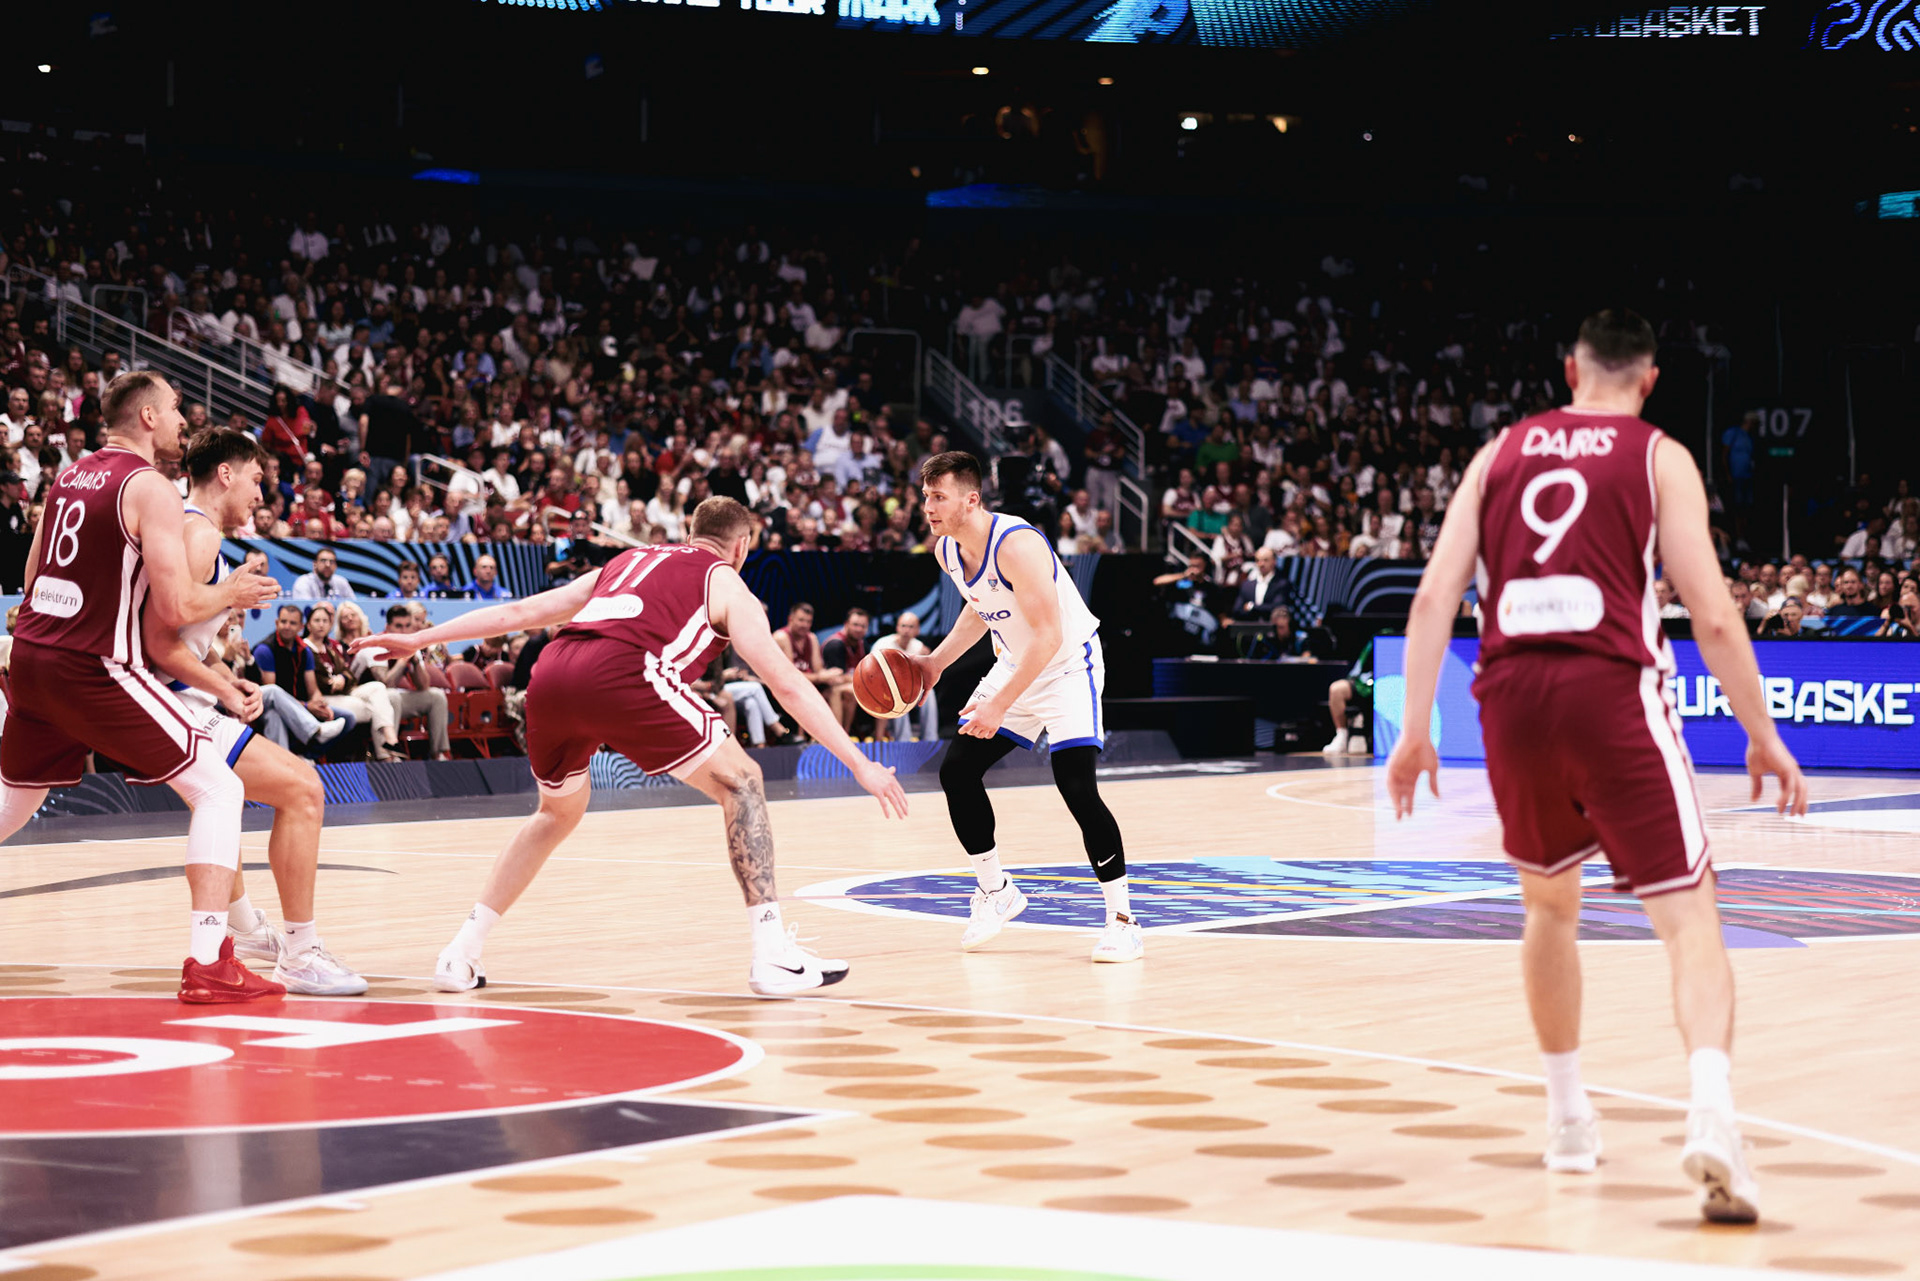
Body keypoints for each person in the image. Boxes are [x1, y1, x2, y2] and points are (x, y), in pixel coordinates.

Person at [1386, 310, 1807, 1225]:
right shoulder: (1659, 456)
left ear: (1570, 371)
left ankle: (1569, 1119)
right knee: (1690, 918)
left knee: (1549, 907)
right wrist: (1763, 732)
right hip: (1612, 690)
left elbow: (1431, 597)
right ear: (1649, 381)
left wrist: (1415, 729)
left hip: (1511, 697)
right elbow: (1714, 614)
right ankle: (1712, 1113)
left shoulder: (1497, 453)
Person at [350, 497, 908, 996]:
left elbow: (520, 614)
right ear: (742, 547)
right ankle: (772, 955)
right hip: (627, 674)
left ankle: (460, 953)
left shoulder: (624, 562)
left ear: (690, 532)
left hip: (553, 676)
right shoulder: (726, 581)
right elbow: (785, 683)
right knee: (744, 783)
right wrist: (860, 763)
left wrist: (420, 638)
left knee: (554, 814)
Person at [0, 371, 284, 1002]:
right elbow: (176, 606)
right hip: (92, 665)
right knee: (220, 788)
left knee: (11, 805)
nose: (184, 419)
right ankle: (210, 963)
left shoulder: (68, 475)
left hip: (33, 657)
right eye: (176, 407)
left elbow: (31, 574)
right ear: (149, 417)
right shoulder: (150, 486)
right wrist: (231, 592)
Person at [154, 428, 367, 994]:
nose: (259, 494)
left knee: (219, 803)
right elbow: (158, 640)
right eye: (254, 479)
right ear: (225, 474)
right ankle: (300, 953)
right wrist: (222, 685)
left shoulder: (193, 530)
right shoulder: (199, 535)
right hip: (167, 701)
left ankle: (245, 930)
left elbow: (184, 639)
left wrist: (226, 677)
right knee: (303, 789)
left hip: (177, 695)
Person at [909, 451, 1139, 963]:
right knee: (957, 771)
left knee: (1076, 786)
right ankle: (996, 891)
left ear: (971, 500)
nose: (928, 506)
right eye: (925, 496)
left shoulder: (1017, 544)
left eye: (938, 496)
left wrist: (998, 705)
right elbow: (980, 608)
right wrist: (935, 663)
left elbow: (1049, 635)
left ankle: (1123, 921)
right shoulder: (947, 550)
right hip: (1016, 661)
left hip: (1068, 665)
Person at [351, 605, 453, 760]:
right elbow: (385, 683)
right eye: (398, 626)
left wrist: (415, 661)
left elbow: (423, 685)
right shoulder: (376, 645)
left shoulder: (410, 645)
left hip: (390, 700)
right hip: (362, 698)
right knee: (392, 695)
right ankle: (388, 755)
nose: (403, 631)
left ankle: (438, 754)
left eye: (407, 626)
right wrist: (404, 659)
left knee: (436, 696)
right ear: (388, 627)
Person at [773, 602, 851, 730]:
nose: (805, 625)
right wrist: (820, 677)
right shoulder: (782, 637)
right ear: (790, 619)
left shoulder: (811, 637)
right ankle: (803, 736)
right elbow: (789, 676)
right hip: (785, 687)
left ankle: (840, 734)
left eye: (808, 622)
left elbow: (818, 669)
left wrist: (831, 676)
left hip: (809, 683)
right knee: (802, 691)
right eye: (801, 620)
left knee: (837, 690)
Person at [872, 611, 938, 742]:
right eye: (903, 626)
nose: (906, 630)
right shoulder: (882, 644)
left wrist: (927, 658)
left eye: (911, 627)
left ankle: (930, 738)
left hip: (908, 689)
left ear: (918, 630)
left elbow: (921, 676)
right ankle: (903, 740)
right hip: (882, 688)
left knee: (929, 692)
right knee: (899, 694)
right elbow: (872, 672)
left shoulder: (918, 647)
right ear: (897, 628)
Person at [1319, 638, 1374, 753]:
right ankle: (1341, 735)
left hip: (1392, 685)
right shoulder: (1378, 639)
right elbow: (1359, 668)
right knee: (1336, 689)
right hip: (1365, 683)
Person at [290, 547, 356, 600]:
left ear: (336, 566)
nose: (328, 565)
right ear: (315, 564)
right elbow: (304, 608)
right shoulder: (303, 582)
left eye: (331, 562)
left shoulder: (342, 582)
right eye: (323, 561)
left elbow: (354, 606)